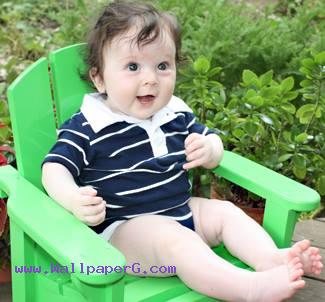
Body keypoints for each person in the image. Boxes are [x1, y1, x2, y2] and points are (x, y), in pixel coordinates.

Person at [42, 1, 323, 301]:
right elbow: (54, 168)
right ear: (99, 78)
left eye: (162, 66)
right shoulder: (89, 126)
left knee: (226, 213)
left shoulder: (174, 113)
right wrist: (73, 199)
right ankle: (249, 288)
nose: (150, 78)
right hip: (123, 235)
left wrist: (210, 149)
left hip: (182, 211)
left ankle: (271, 259)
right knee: (175, 240)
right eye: (133, 67)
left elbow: (212, 143)